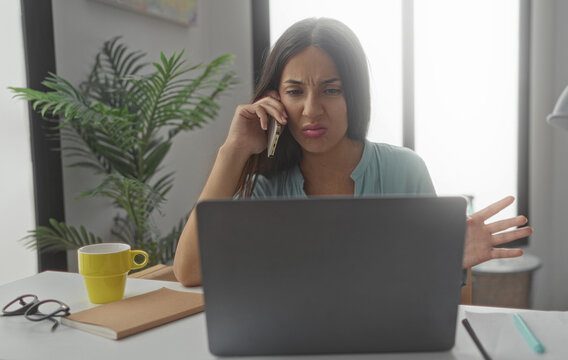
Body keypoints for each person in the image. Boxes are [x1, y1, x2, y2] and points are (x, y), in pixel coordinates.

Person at [173, 18, 532, 287]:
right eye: (295, 92)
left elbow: (435, 299)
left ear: (354, 95)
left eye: (331, 90)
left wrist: (451, 260)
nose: (312, 110)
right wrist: (233, 150)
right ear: (275, 98)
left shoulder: (404, 171)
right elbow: (189, 271)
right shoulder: (265, 184)